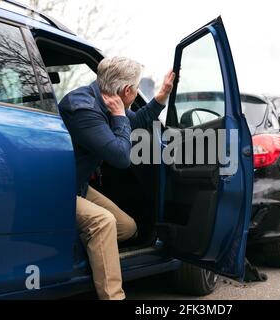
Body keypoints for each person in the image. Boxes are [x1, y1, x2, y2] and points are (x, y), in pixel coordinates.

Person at [58, 56, 175, 299]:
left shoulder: (107, 101)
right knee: (103, 222)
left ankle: (90, 248)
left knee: (128, 227)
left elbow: (139, 121)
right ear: (127, 90)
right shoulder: (84, 109)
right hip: (57, 189)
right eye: (137, 88)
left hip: (77, 186)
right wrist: (121, 117)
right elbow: (121, 157)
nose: (135, 94)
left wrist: (162, 94)